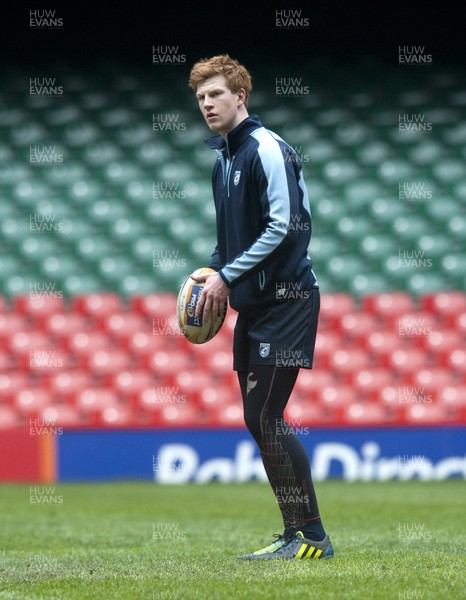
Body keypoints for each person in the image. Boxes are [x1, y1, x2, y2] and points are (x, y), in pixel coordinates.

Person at [188, 54, 333, 560]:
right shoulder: (222, 160)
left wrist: (227, 276)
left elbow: (285, 225)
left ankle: (313, 535)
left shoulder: (265, 148)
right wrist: (212, 272)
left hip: (287, 300)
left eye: (216, 94)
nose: (207, 103)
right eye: (201, 97)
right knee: (258, 418)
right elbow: (229, 241)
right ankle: (294, 531)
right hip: (253, 305)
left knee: (267, 415)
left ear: (240, 96)